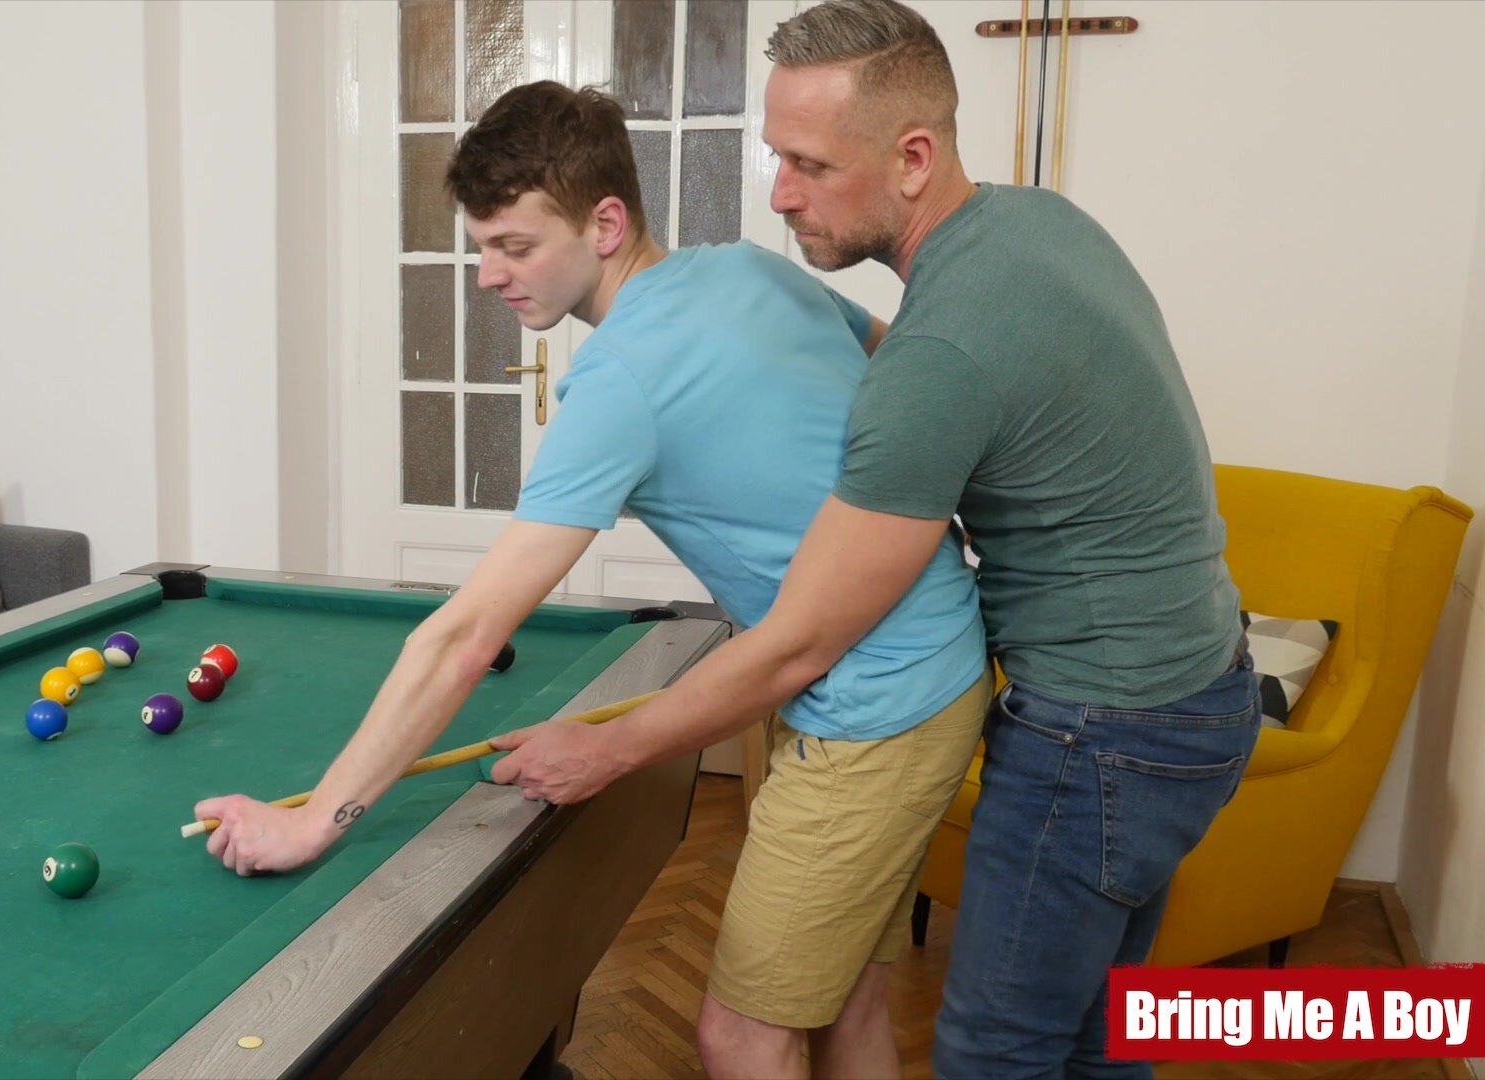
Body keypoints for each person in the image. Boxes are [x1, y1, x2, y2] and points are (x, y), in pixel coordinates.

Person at [493, 2, 1265, 1077]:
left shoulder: (936, 359)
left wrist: (610, 747)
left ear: (913, 158)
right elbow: (966, 395)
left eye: (810, 164)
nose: (780, 193)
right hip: (1206, 685)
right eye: (778, 156)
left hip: (1105, 727)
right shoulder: (1036, 224)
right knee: (1096, 1035)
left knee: (998, 1049)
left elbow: (803, 644)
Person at [191, 79, 992, 1080]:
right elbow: (899, 362)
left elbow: (463, 636)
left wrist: (316, 820)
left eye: (514, 246)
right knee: (848, 1003)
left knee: (742, 1034)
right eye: (480, 245)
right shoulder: (748, 268)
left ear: (605, 225)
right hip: (930, 660)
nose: (488, 274)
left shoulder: (620, 383)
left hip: (877, 706)